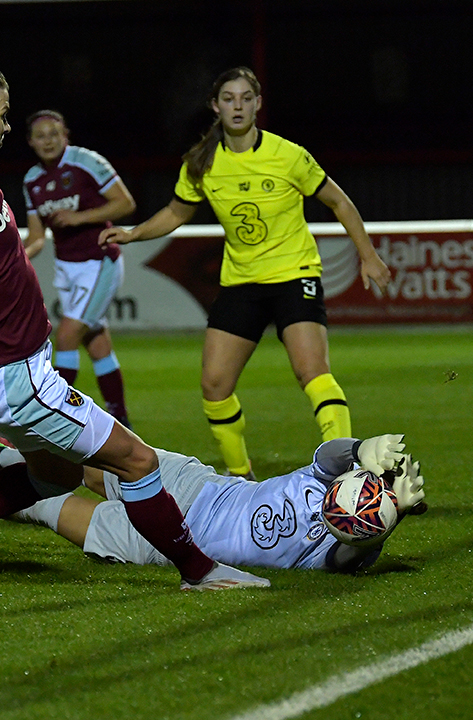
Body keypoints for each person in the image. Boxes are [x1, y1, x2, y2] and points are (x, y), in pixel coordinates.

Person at [0, 43, 267, 592]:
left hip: (5, 367)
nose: (6, 127)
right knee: (137, 461)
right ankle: (199, 571)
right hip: (18, 372)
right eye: (1, 114)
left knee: (52, 477)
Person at [99, 67, 391, 481]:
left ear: (257, 104)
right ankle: (240, 479)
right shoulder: (202, 163)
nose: (238, 106)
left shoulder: (288, 155)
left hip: (294, 274)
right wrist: (134, 234)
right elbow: (176, 212)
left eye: (245, 98)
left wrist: (368, 256)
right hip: (241, 282)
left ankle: (344, 472)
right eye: (229, 99)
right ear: (216, 107)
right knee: (214, 385)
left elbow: (339, 202)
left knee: (312, 372)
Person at [0, 424, 426, 574]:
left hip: (162, 545)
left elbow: (349, 554)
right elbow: (328, 453)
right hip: (193, 485)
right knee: (84, 467)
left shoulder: (343, 549)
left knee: (43, 509)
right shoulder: (330, 476)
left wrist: (389, 520)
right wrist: (362, 446)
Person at [22, 110, 137, 427]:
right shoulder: (32, 180)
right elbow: (35, 237)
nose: (47, 140)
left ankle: (56, 418)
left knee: (67, 335)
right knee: (98, 345)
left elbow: (125, 203)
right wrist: (15, 257)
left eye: (53, 133)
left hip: (100, 262)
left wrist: (80, 218)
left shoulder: (86, 161)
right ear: (30, 142)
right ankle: (120, 418)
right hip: (68, 268)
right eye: (40, 135)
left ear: (65, 136)